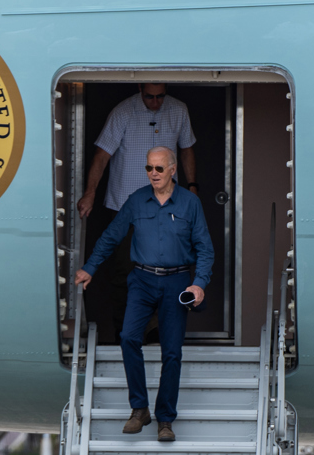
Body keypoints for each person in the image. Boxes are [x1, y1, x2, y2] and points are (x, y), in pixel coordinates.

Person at [75, 146, 214, 443]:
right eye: (149, 168)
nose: (153, 174)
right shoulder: (137, 200)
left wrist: (199, 283)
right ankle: (139, 409)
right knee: (128, 338)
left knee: (172, 352)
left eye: (159, 169)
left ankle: (165, 419)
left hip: (177, 282)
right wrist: (89, 268)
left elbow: (205, 248)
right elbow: (111, 236)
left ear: (173, 170)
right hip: (141, 280)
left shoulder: (190, 204)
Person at [77, 83, 199, 342]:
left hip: (169, 205)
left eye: (160, 97)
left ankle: (157, 331)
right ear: (140, 89)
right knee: (124, 272)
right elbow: (102, 156)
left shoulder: (178, 110)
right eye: (149, 97)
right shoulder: (123, 112)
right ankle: (126, 331)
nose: (155, 103)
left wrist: (192, 186)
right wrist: (90, 192)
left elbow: (187, 148)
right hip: (126, 205)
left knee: (168, 268)